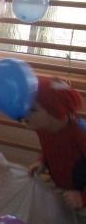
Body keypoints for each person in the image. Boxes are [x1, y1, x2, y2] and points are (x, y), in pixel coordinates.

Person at [24, 77, 86, 211]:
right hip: (63, 191)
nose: (24, 113)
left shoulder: (80, 133)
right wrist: (42, 162)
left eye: (33, 109)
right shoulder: (42, 128)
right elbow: (50, 148)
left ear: (54, 112)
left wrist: (82, 197)